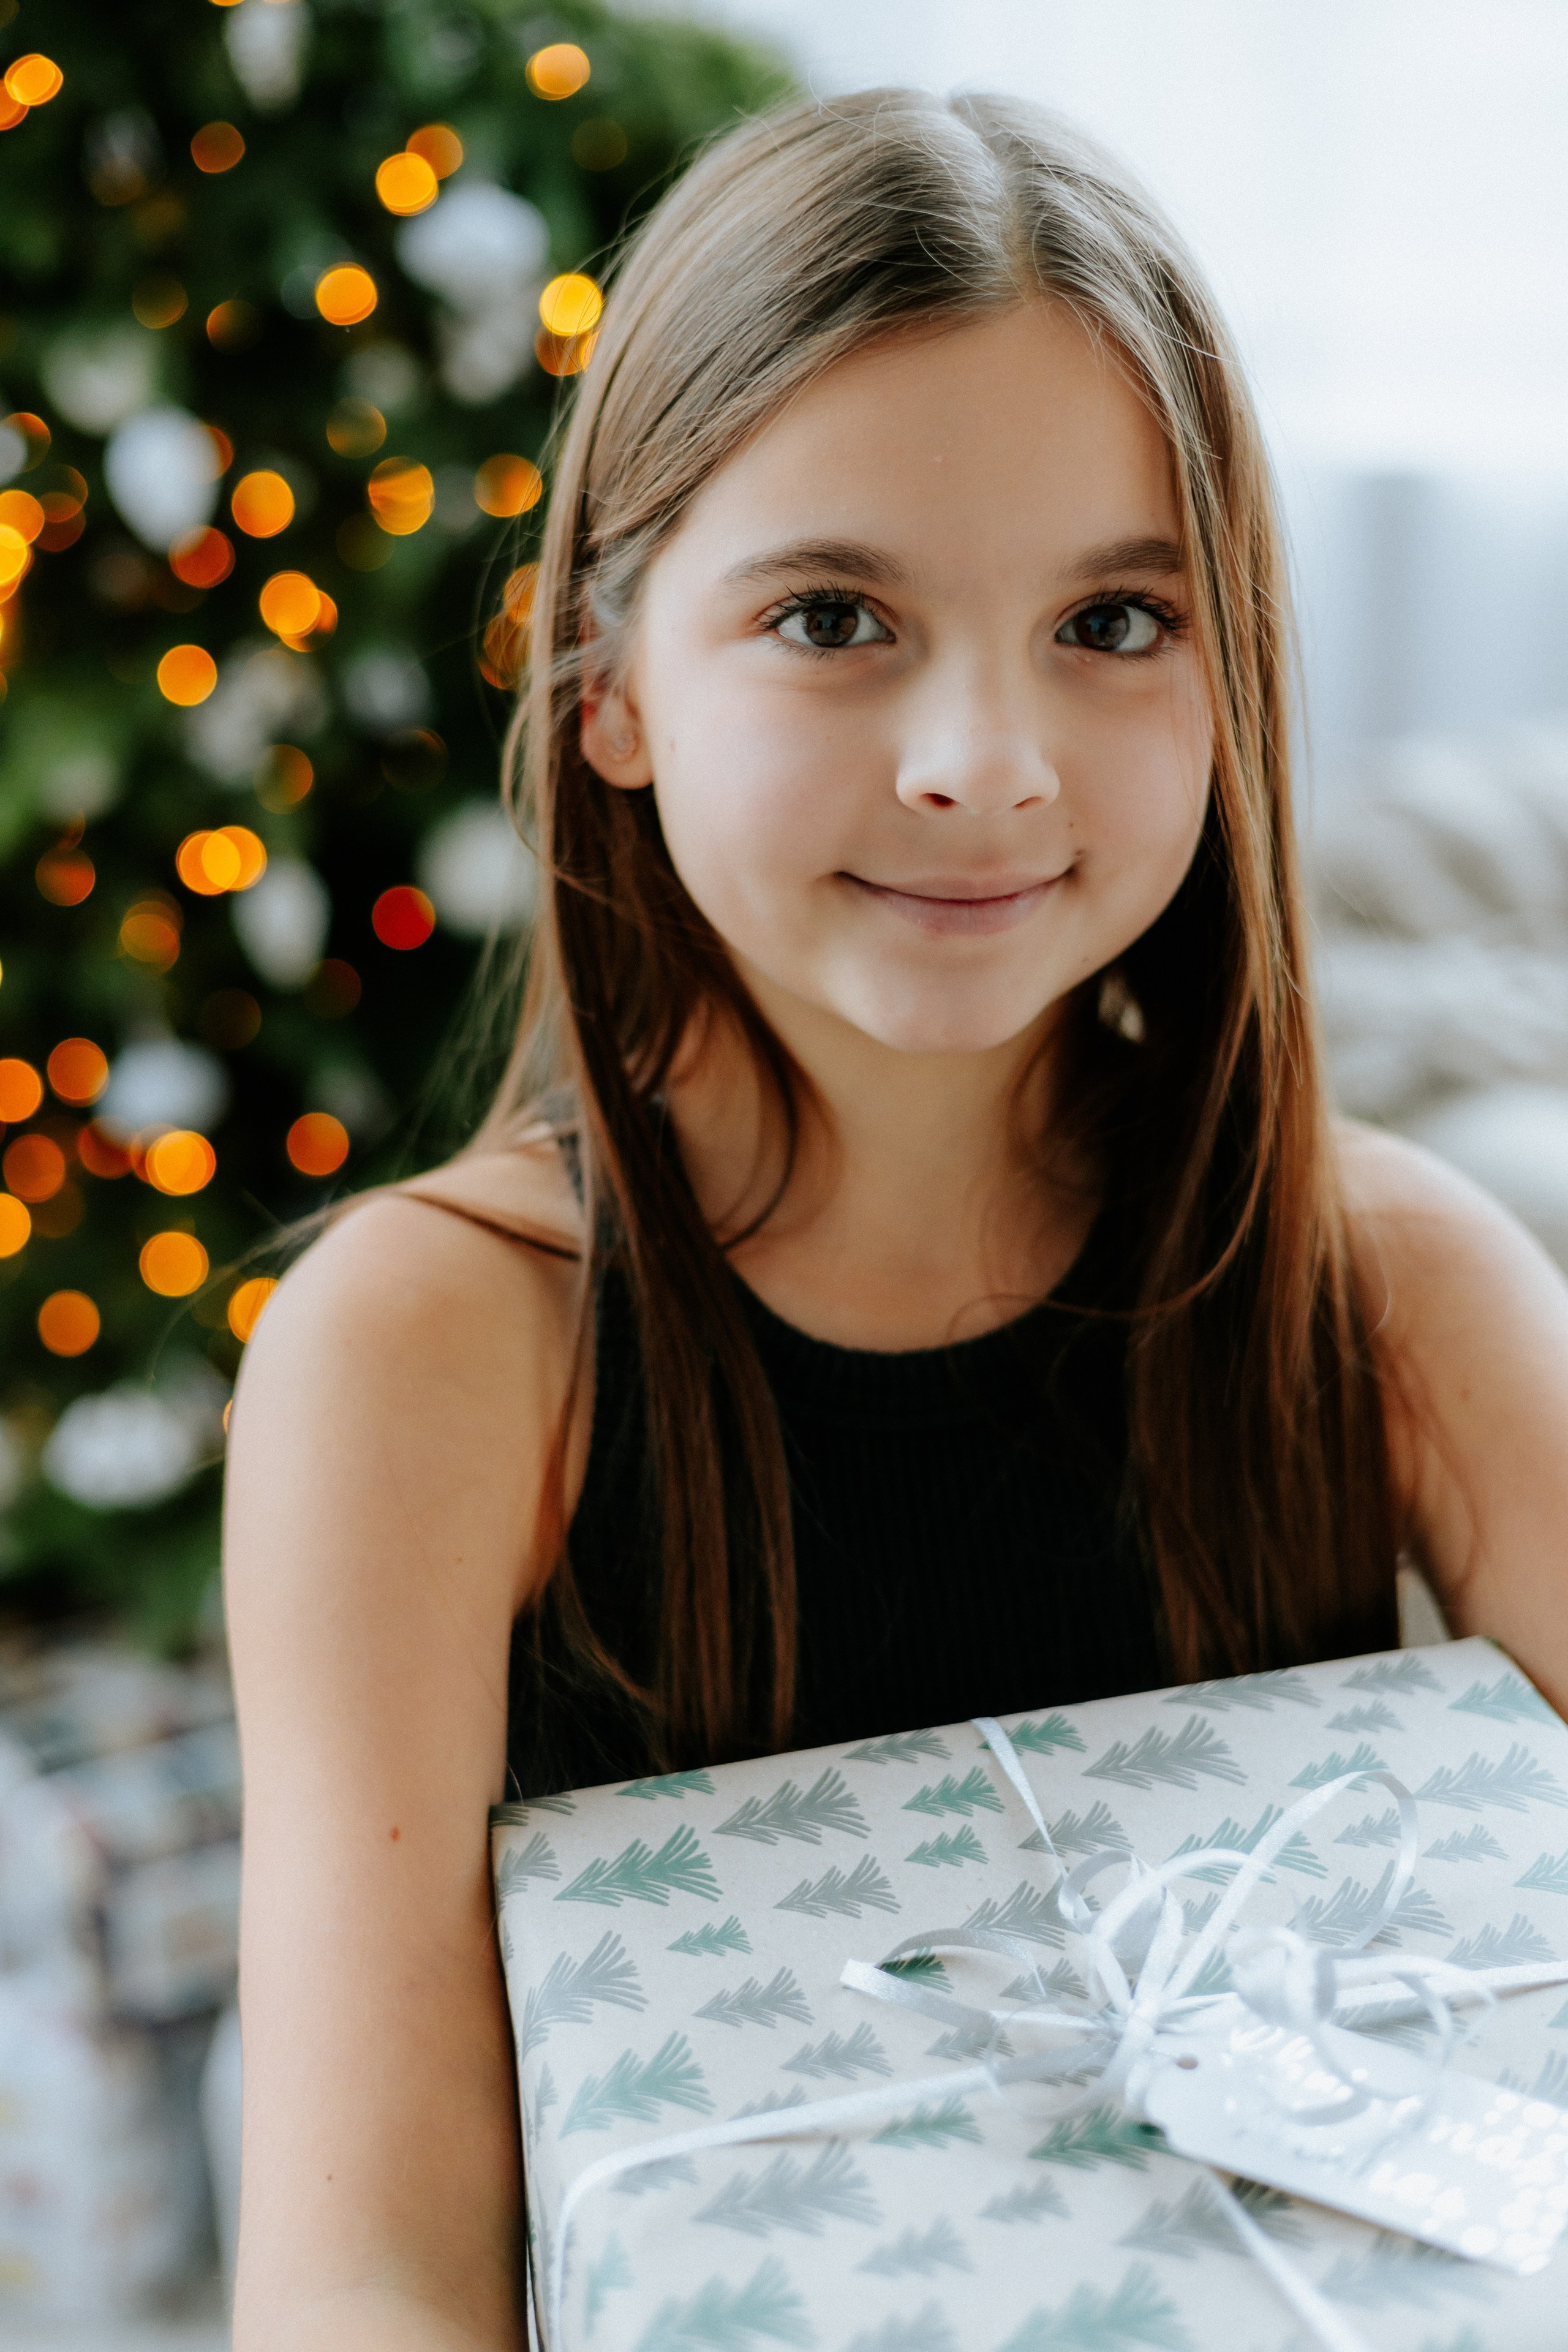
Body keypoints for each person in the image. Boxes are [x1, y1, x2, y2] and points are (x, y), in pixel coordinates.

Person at [222, 87, 1568, 2352]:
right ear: (612, 688)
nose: (984, 759)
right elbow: (370, 2268)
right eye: (835, 615)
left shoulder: (1393, 1279)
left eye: (1113, 620)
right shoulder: (428, 1358)